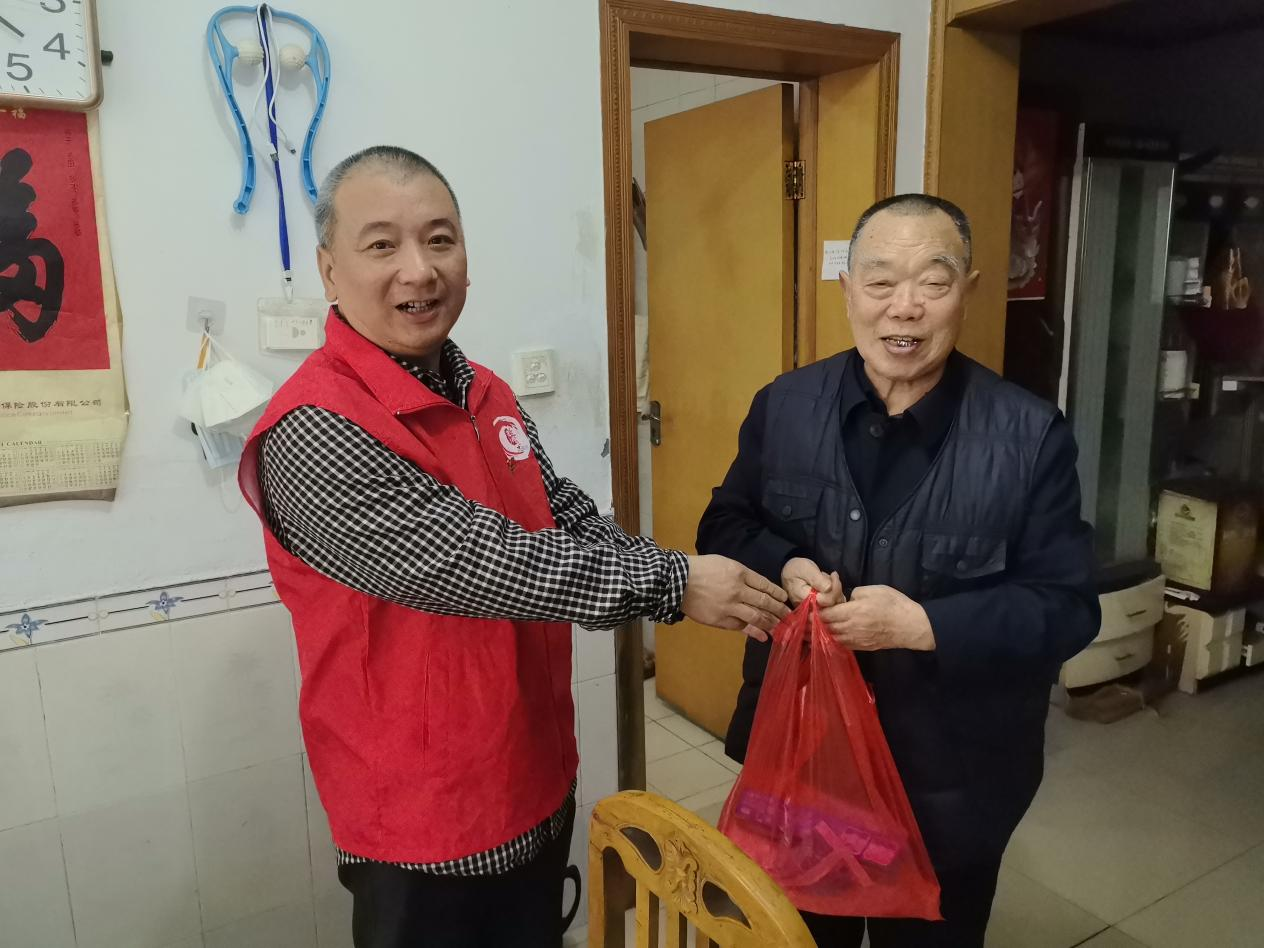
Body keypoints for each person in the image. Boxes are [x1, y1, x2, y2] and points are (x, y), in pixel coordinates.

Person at [237, 145, 789, 948]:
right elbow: (484, 563)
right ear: (328, 269)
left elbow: (560, 513)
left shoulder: (484, 390)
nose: (420, 270)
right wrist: (674, 583)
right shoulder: (315, 426)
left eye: (440, 239)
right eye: (382, 245)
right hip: (420, 821)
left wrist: (702, 580)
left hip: (532, 775)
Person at [697, 194, 1100, 947]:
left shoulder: (1029, 436)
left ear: (968, 291)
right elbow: (724, 524)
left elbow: (1068, 606)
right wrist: (785, 564)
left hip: (952, 781)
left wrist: (924, 625)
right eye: (880, 282)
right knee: (804, 935)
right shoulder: (784, 405)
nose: (904, 307)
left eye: (933, 283)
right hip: (806, 762)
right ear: (848, 289)